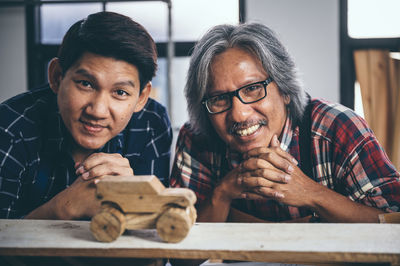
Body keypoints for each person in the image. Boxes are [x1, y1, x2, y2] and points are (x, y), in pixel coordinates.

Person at [170, 23, 400, 223]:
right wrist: (223, 193)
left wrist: (311, 193)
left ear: (285, 89)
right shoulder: (197, 138)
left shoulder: (337, 128)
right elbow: (183, 259)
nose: (239, 115)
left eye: (252, 89)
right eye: (219, 98)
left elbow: (393, 224)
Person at [0, 11, 172, 220]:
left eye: (120, 92)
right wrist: (62, 209)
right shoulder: (9, 129)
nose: (98, 111)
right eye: (86, 84)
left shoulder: (151, 124)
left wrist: (136, 196)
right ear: (56, 77)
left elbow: (157, 236)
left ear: (141, 97)